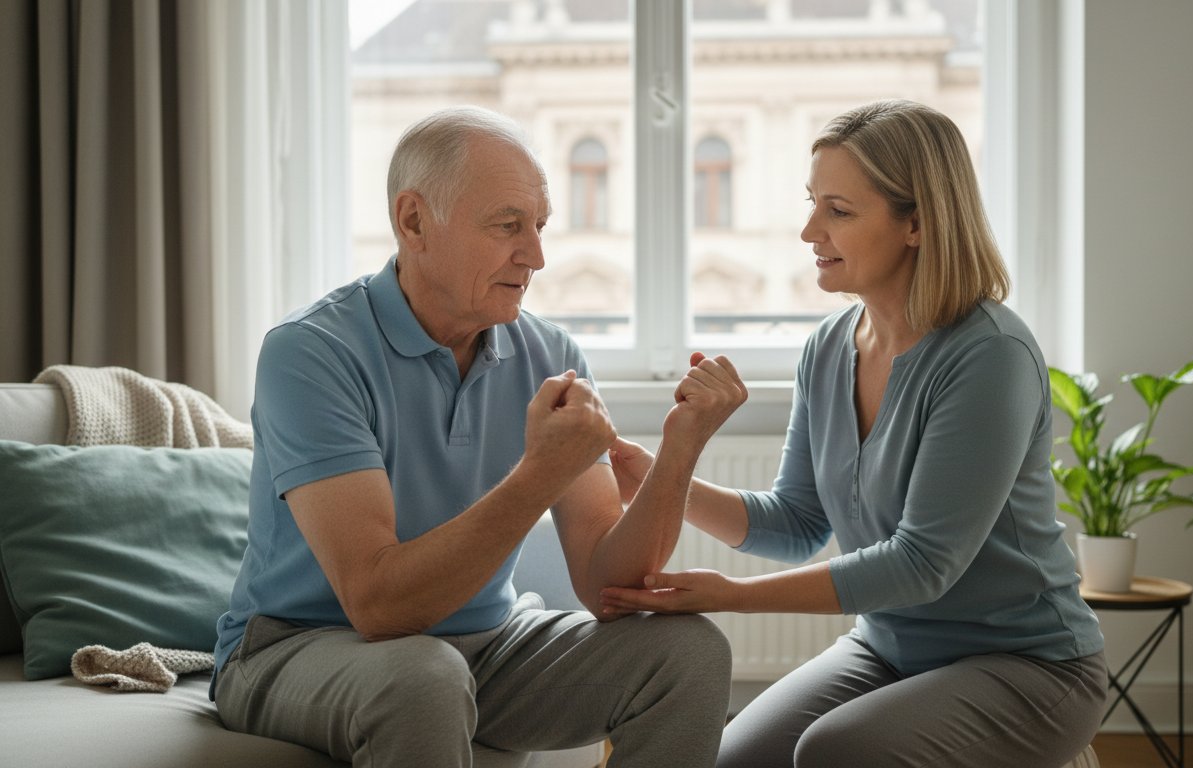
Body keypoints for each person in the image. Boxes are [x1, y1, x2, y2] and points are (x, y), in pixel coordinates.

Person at [211, 106, 746, 768]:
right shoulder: (311, 353)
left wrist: (681, 448)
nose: (538, 256)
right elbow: (379, 606)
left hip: (487, 645)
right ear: (413, 222)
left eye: (541, 227)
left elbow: (609, 584)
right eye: (508, 227)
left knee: (688, 650)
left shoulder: (550, 354)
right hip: (298, 645)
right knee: (424, 676)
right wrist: (539, 476)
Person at [601, 99, 1108, 768]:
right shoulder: (829, 346)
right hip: (890, 650)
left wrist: (731, 597)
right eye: (813, 203)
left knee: (838, 752)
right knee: (734, 762)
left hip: (1028, 665)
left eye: (838, 211)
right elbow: (797, 521)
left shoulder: (990, 356)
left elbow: (922, 565)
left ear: (917, 224)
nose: (810, 230)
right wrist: (661, 478)